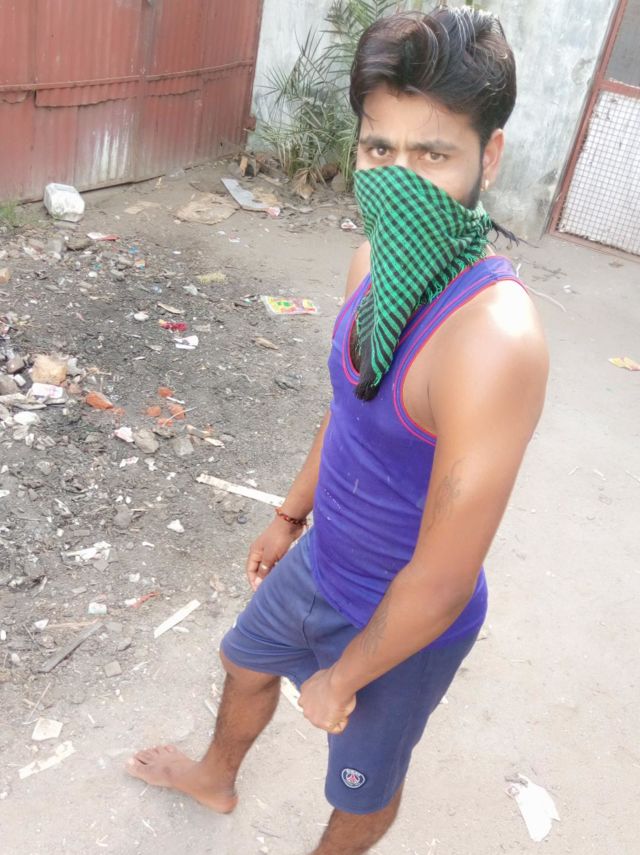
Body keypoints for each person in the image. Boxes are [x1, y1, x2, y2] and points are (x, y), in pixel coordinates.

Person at [127, 6, 549, 853]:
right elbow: (348, 406)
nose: (398, 179)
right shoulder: (370, 265)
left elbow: (442, 577)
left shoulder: (494, 342)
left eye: (433, 155)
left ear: (490, 156)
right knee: (243, 662)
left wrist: (342, 676)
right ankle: (215, 776)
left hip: (404, 621)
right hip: (325, 558)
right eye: (379, 149)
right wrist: (290, 513)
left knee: (363, 788)